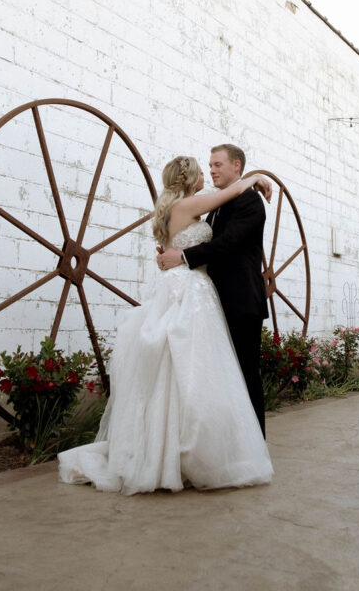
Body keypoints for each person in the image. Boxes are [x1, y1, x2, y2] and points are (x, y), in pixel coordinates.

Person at [57, 155, 273, 495]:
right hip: (189, 290)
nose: (209, 172)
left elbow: (210, 235)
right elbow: (231, 196)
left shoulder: (185, 209)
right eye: (204, 169)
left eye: (215, 165)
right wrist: (255, 177)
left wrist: (178, 251)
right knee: (191, 368)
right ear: (188, 180)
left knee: (185, 369)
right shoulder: (192, 206)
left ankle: (183, 447)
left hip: (193, 288)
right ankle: (195, 452)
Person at [158, 144, 269, 434]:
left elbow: (229, 243)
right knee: (220, 376)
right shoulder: (214, 205)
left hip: (241, 301)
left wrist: (182, 256)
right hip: (210, 301)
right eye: (209, 165)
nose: (212, 170)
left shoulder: (250, 203)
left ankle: (255, 440)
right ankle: (228, 439)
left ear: (236, 166)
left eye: (218, 164)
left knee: (245, 373)